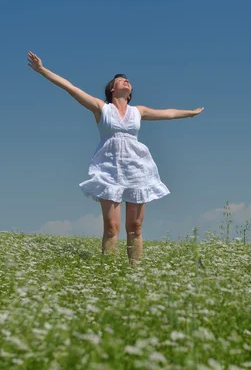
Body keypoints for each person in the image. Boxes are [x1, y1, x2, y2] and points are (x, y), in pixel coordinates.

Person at [27, 51, 204, 264]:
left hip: (137, 168)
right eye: (121, 80)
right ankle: (110, 273)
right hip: (109, 169)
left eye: (128, 81)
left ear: (129, 94)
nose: (126, 81)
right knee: (112, 227)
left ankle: (134, 273)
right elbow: (71, 88)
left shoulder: (138, 111)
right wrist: (42, 70)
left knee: (135, 227)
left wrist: (190, 113)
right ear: (112, 89)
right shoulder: (102, 109)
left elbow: (168, 113)